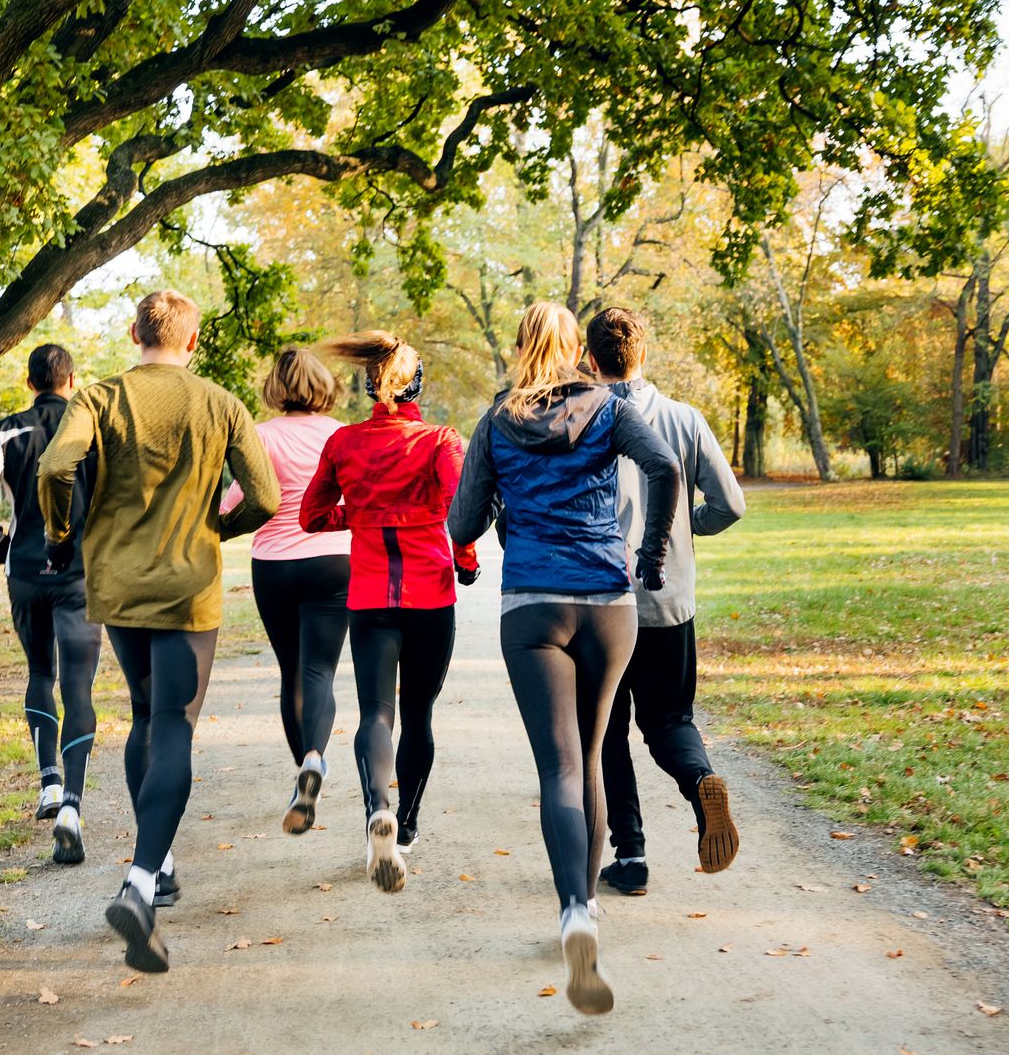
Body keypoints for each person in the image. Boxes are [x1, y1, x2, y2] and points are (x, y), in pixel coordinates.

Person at [37, 289, 279, 973]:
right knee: (173, 721)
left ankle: (161, 860)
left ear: (133, 332)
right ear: (192, 341)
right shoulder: (220, 403)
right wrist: (214, 530)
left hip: (118, 582)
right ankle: (140, 884)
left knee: (144, 713)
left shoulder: (99, 398)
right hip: (186, 584)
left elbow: (56, 466)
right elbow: (264, 496)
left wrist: (62, 535)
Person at [449, 301, 678, 1015]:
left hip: (533, 607)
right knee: (594, 751)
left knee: (559, 768)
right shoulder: (608, 407)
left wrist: (504, 509)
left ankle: (573, 910)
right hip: (608, 604)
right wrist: (650, 553)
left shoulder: (495, 421)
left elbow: (461, 522)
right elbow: (665, 466)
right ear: (576, 347)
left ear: (519, 347)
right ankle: (587, 912)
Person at [300, 331, 477, 893]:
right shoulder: (442, 441)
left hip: (371, 595)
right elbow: (461, 510)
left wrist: (358, 516)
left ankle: (377, 805)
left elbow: (310, 515)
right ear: (418, 384)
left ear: (368, 384)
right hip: (430, 594)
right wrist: (466, 559)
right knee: (419, 713)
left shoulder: (345, 443)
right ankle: (404, 827)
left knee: (377, 713)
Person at [585, 307, 747, 895]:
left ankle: (630, 856)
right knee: (670, 720)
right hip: (667, 599)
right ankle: (700, 780)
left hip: (600, 601)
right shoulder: (684, 419)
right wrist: (686, 525)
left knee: (606, 731)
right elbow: (730, 504)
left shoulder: (583, 418)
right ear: (643, 354)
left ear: (591, 357)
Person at [0, 343, 101, 866]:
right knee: (79, 683)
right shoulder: (90, 427)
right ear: (72, 380)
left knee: (40, 671)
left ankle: (48, 781)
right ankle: (72, 806)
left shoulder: (4, 429)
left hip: (23, 569)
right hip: (80, 571)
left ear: (30, 383)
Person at [221, 348, 353, 835]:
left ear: (276, 388)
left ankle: (305, 765)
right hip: (334, 561)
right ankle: (315, 758)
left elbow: (237, 501)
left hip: (274, 565)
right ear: (323, 384)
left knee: (291, 671)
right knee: (320, 669)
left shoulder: (260, 435)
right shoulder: (341, 434)